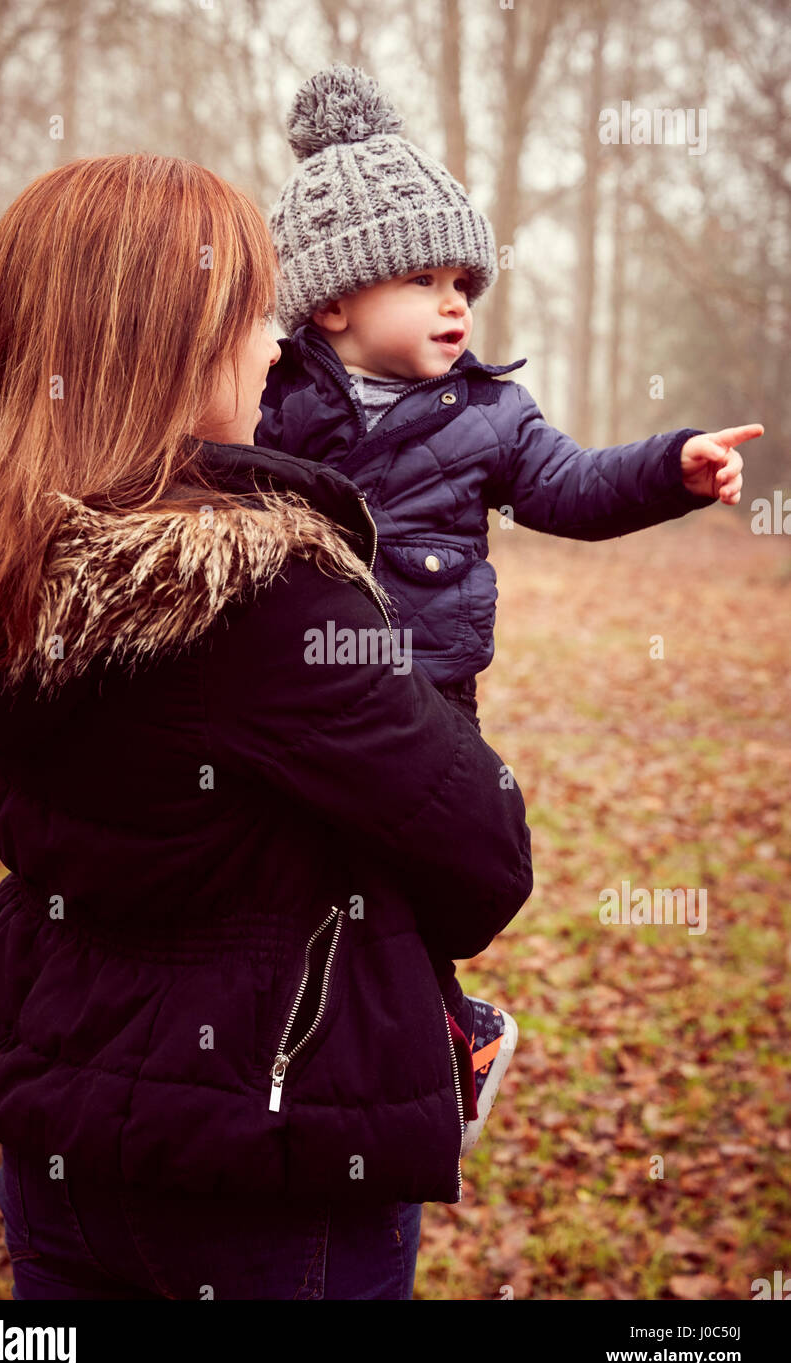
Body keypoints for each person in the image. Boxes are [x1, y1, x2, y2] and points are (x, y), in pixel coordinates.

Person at [0, 152, 533, 1300]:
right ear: (167, 339)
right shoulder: (262, 595)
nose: (273, 343)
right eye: (253, 313)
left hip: (59, 1129)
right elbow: (485, 858)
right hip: (269, 1163)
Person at [256, 62, 764, 1136]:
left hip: (430, 699)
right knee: (304, 875)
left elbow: (569, 487)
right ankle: (344, 1041)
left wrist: (668, 467)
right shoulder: (272, 402)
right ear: (334, 298)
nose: (454, 303)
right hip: (299, 692)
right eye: (424, 282)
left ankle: (451, 1030)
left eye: (465, 285)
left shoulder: (488, 416)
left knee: (420, 882)